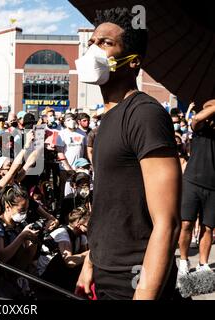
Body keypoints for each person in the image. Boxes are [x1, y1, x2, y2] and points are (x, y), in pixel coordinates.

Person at [75, 7, 181, 300]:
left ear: (132, 62)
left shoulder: (144, 115)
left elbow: (167, 222)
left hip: (134, 283)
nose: (94, 49)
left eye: (106, 43)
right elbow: (109, 201)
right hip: (104, 276)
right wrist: (90, 263)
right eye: (92, 42)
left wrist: (144, 292)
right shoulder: (107, 119)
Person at [178, 99, 215, 275]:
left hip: (213, 187)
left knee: (208, 227)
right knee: (187, 223)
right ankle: (184, 261)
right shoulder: (200, 129)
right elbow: (197, 118)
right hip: (192, 181)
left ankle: (203, 263)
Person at [0, 184, 39, 299]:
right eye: (21, 210)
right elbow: (1, 257)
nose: (24, 213)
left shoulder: (20, 224)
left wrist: (34, 242)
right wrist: (21, 237)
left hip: (17, 279)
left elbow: (25, 259)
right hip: (0, 283)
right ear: (8, 206)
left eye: (26, 209)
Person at [38, 208, 90, 293]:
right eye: (89, 225)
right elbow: (70, 262)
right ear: (78, 225)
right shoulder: (62, 234)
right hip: (47, 274)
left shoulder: (82, 236)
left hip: (62, 275)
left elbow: (83, 260)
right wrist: (92, 251)